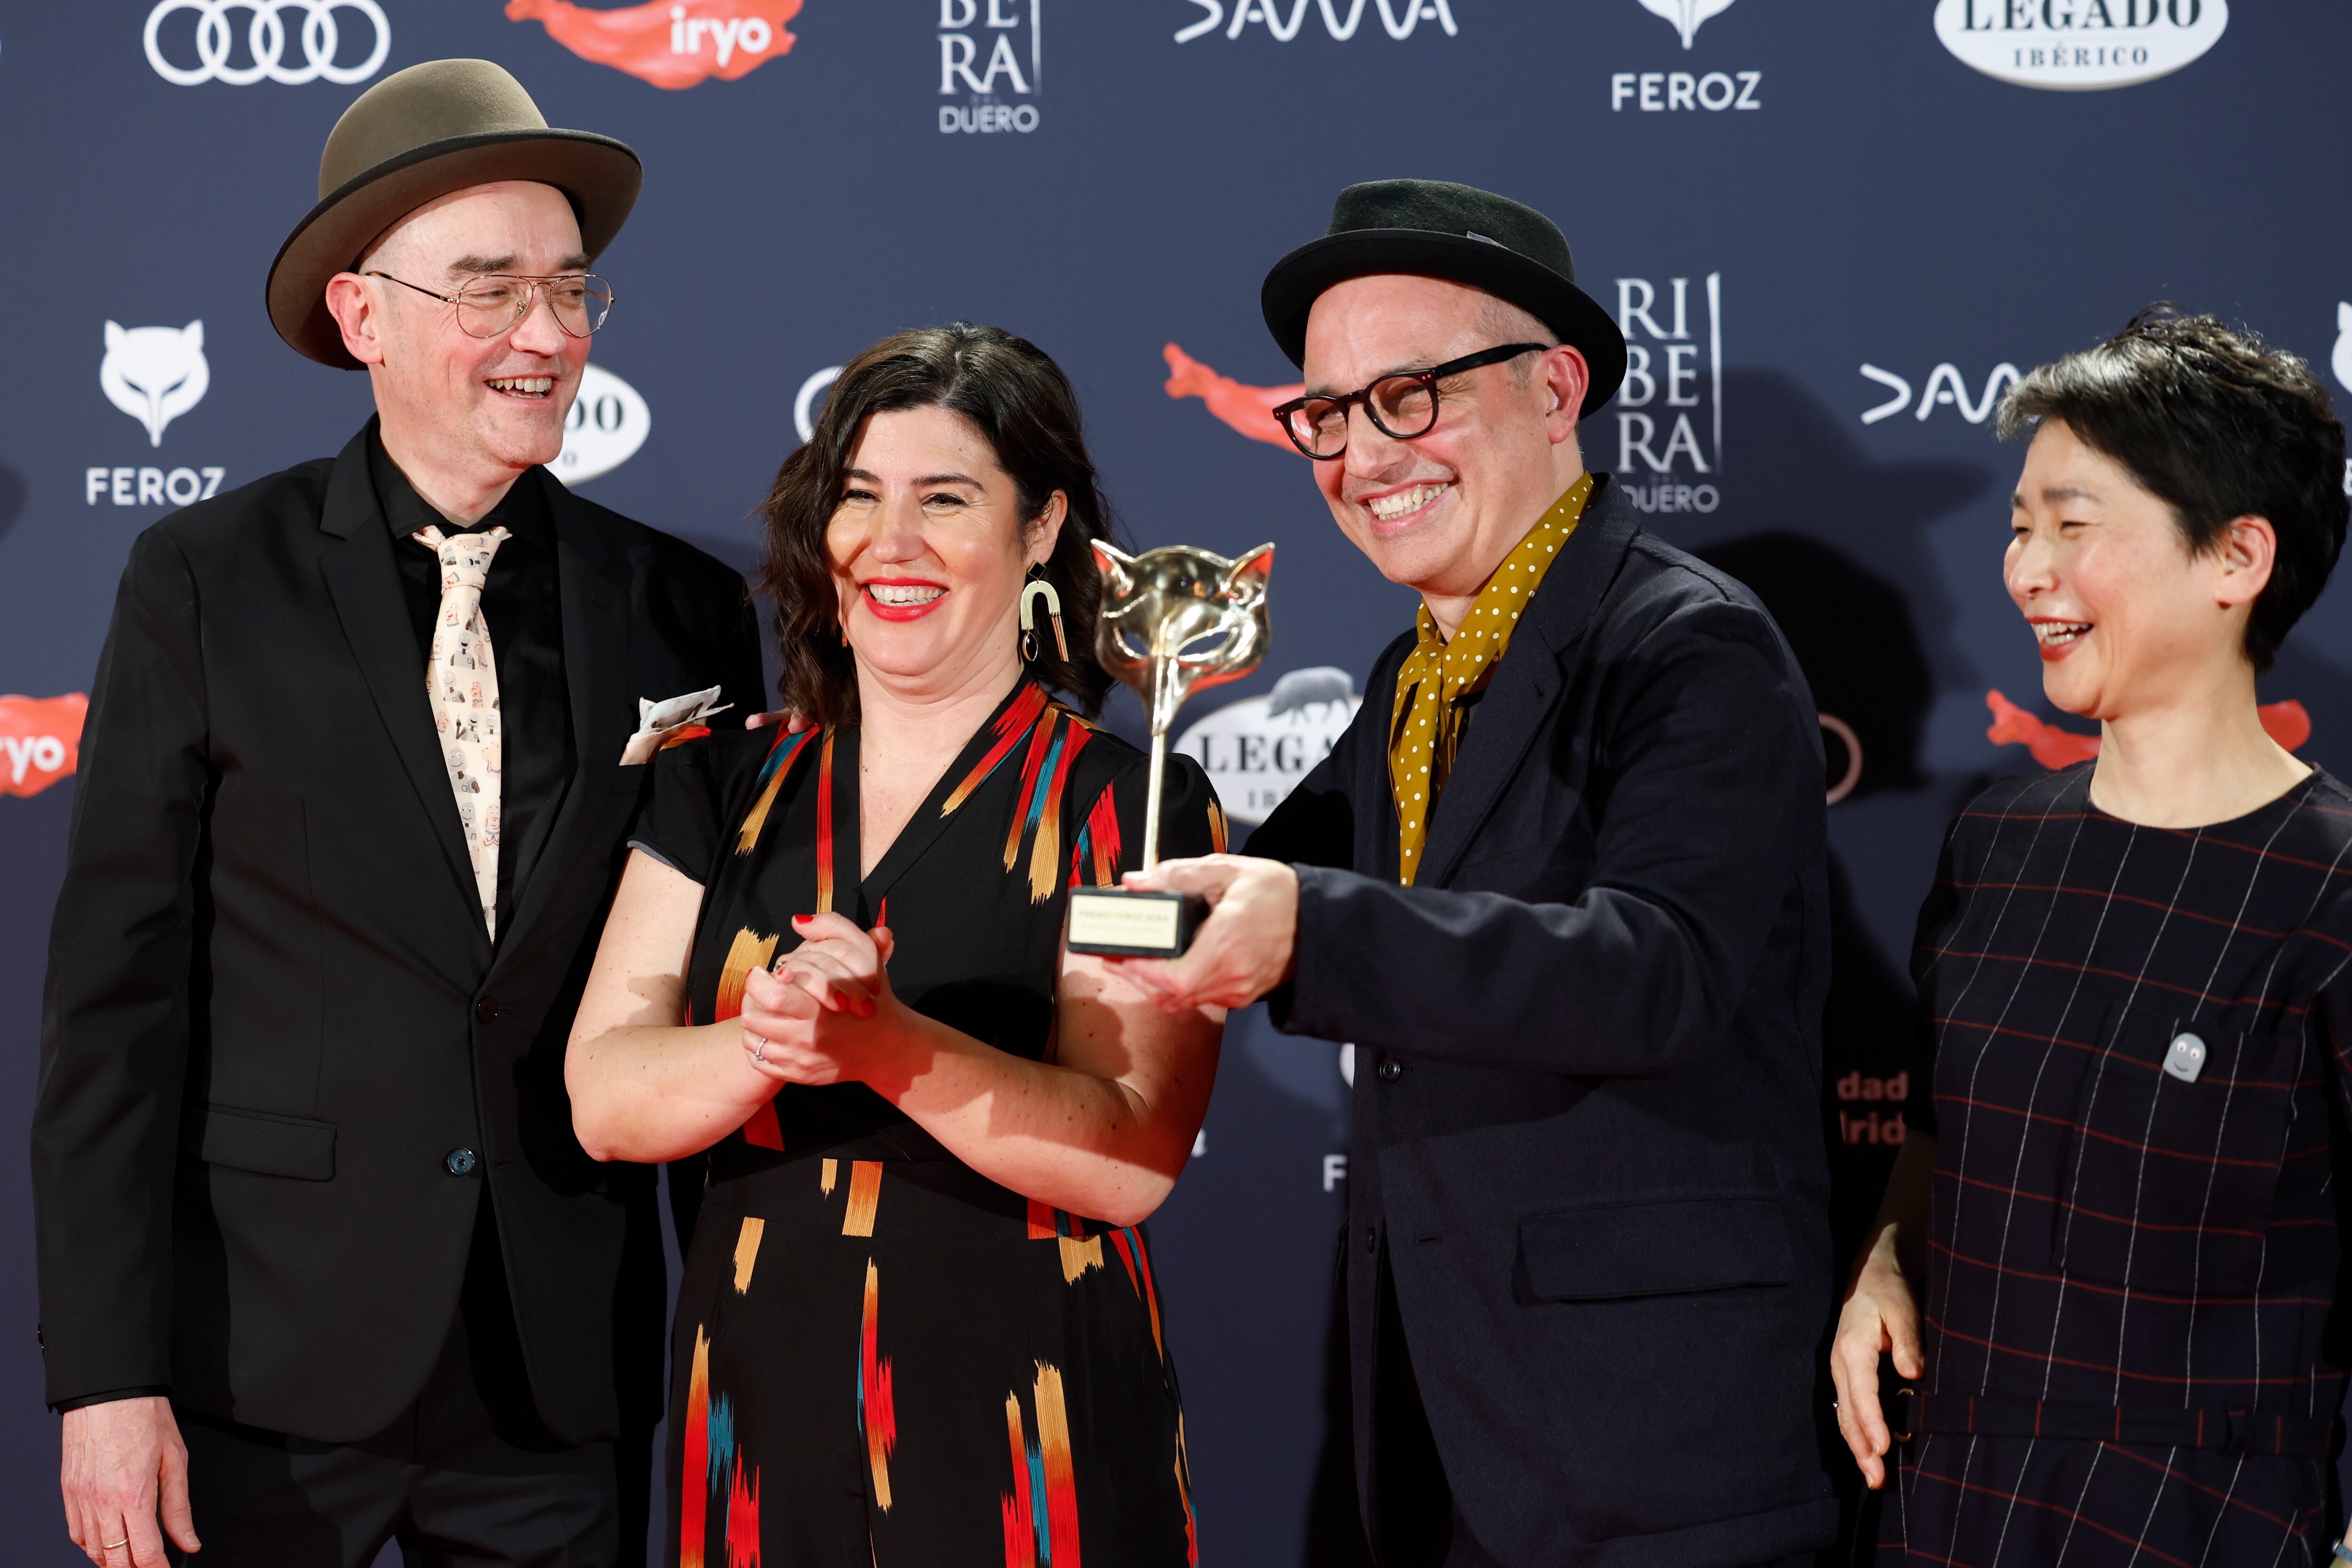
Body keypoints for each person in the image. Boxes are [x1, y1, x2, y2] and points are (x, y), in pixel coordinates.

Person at [32, 59, 764, 1568]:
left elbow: (699, 979)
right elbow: (115, 1006)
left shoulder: (680, 606)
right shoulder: (205, 580)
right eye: (490, 291)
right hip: (263, 1370)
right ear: (364, 317)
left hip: (558, 1371)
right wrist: (108, 1378)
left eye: (572, 292)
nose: (548, 336)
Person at [1112, 178, 1839, 1567]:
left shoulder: (1690, 648)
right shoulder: (1412, 672)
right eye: (1325, 413)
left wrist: (1302, 934)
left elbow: (1660, 971)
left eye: (1411, 395)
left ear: (1556, 389)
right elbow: (1250, 888)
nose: (1363, 454)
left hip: (1659, 1453)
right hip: (1453, 1433)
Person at [565, 322, 1226, 1567]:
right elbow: (607, 1097)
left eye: (947, 498)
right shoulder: (718, 783)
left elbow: (1132, 1155)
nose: (893, 543)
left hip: (1036, 1441)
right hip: (762, 1433)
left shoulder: (1135, 807)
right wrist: (774, 1038)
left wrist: (889, 1046)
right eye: (860, 496)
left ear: (1042, 530)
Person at [1830, 310, 2352, 1564]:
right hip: (1950, 1510)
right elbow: (1943, 1133)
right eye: (2021, 527)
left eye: (2074, 526)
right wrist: (1888, 1261)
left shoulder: (2328, 891)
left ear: (2236, 559)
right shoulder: (1996, 844)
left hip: (2211, 1524)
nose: (2026, 572)